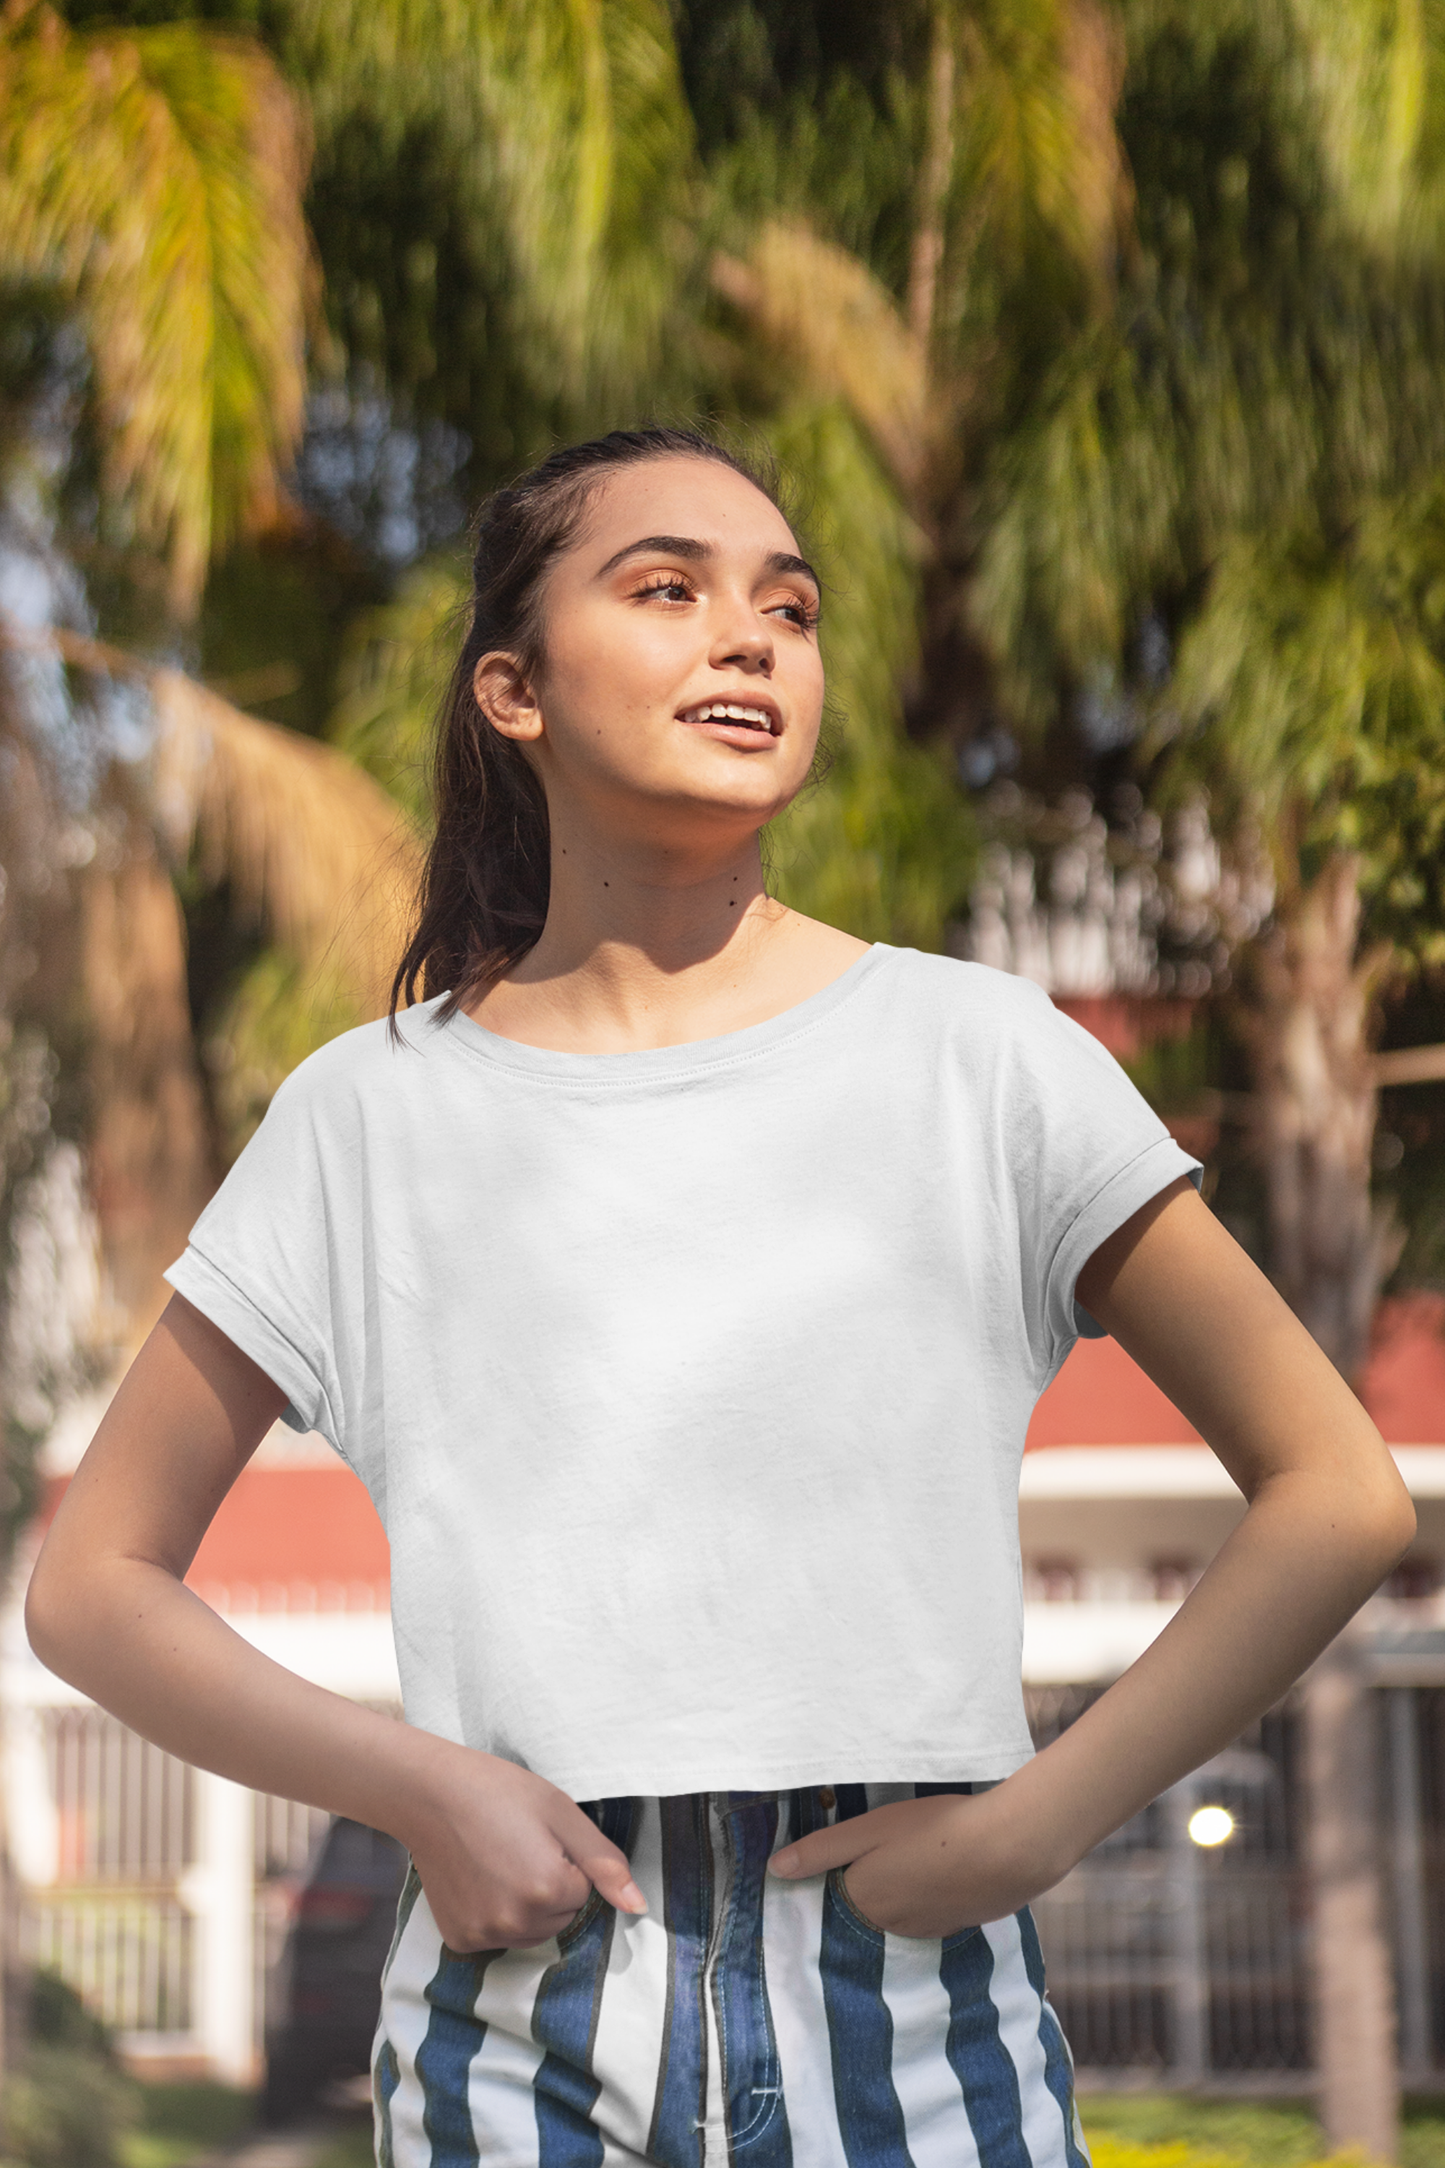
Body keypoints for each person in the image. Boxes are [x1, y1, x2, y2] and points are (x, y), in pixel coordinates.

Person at [27, 427, 1414, 2167]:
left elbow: (1340, 1492)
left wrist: (1036, 1830)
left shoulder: (982, 1059)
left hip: (920, 2009)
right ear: (513, 690)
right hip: (514, 2013)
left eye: (791, 607)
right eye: (666, 589)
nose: (748, 637)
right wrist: (420, 1788)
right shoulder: (365, 1117)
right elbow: (92, 1588)